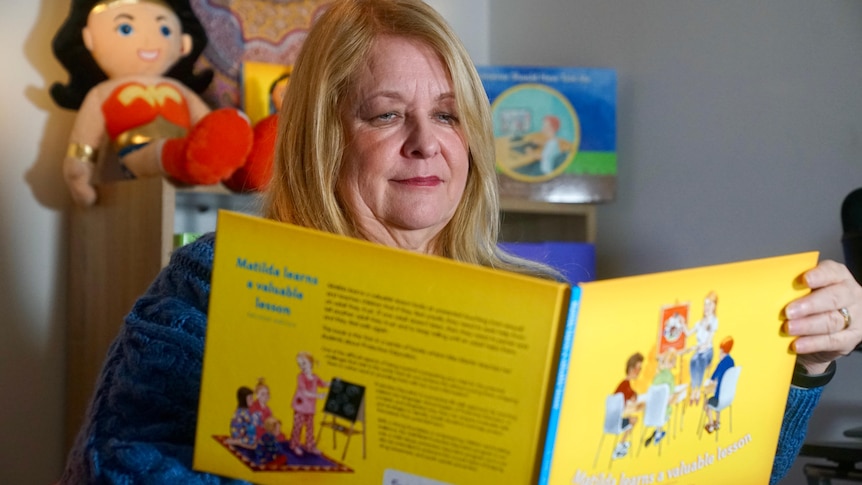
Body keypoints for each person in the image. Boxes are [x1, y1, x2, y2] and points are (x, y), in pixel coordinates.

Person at [58, 0, 862, 483]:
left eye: (446, 114)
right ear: (322, 139)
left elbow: (720, 465)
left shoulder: (541, 301)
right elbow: (116, 467)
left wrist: (808, 360)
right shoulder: (213, 283)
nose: (425, 143)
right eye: (385, 113)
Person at [50, 0, 255, 206]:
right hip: (138, 152)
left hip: (191, 150)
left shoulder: (180, 90)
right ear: (89, 38)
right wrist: (79, 173)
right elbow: (85, 140)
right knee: (165, 154)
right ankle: (190, 159)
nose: (149, 41)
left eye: (165, 29)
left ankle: (254, 166)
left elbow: (208, 123)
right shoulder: (101, 93)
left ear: (184, 43)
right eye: (126, 28)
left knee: (220, 136)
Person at [288, 351, 328, 457]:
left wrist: (334, 383)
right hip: (300, 407)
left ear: (311, 363)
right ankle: (294, 445)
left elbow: (323, 384)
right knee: (298, 426)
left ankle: (310, 446)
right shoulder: (300, 377)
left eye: (304, 363)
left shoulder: (315, 377)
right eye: (299, 364)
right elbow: (305, 392)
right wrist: (318, 396)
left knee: (310, 428)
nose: (302, 367)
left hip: (310, 408)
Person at [684, 290, 719, 406]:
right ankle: (694, 388)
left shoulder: (714, 321)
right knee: (693, 361)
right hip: (698, 351)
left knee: (700, 361)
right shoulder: (699, 322)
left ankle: (697, 391)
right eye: (705, 304)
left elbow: (707, 342)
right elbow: (688, 333)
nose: (707, 307)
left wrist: (695, 347)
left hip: (707, 351)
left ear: (714, 306)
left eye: (709, 304)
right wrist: (682, 323)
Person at [612, 352, 644, 459]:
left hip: (613, 420)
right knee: (633, 420)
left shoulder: (625, 385)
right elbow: (628, 402)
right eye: (638, 368)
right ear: (631, 369)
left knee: (631, 418)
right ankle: (620, 445)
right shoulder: (625, 386)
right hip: (615, 422)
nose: (639, 371)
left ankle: (621, 444)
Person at [703, 336, 735, 434]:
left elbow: (714, 375)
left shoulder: (722, 363)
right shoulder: (732, 361)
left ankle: (711, 424)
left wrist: (711, 380)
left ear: (721, 350)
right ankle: (718, 423)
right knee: (718, 401)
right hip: (728, 398)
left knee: (706, 403)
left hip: (720, 397)